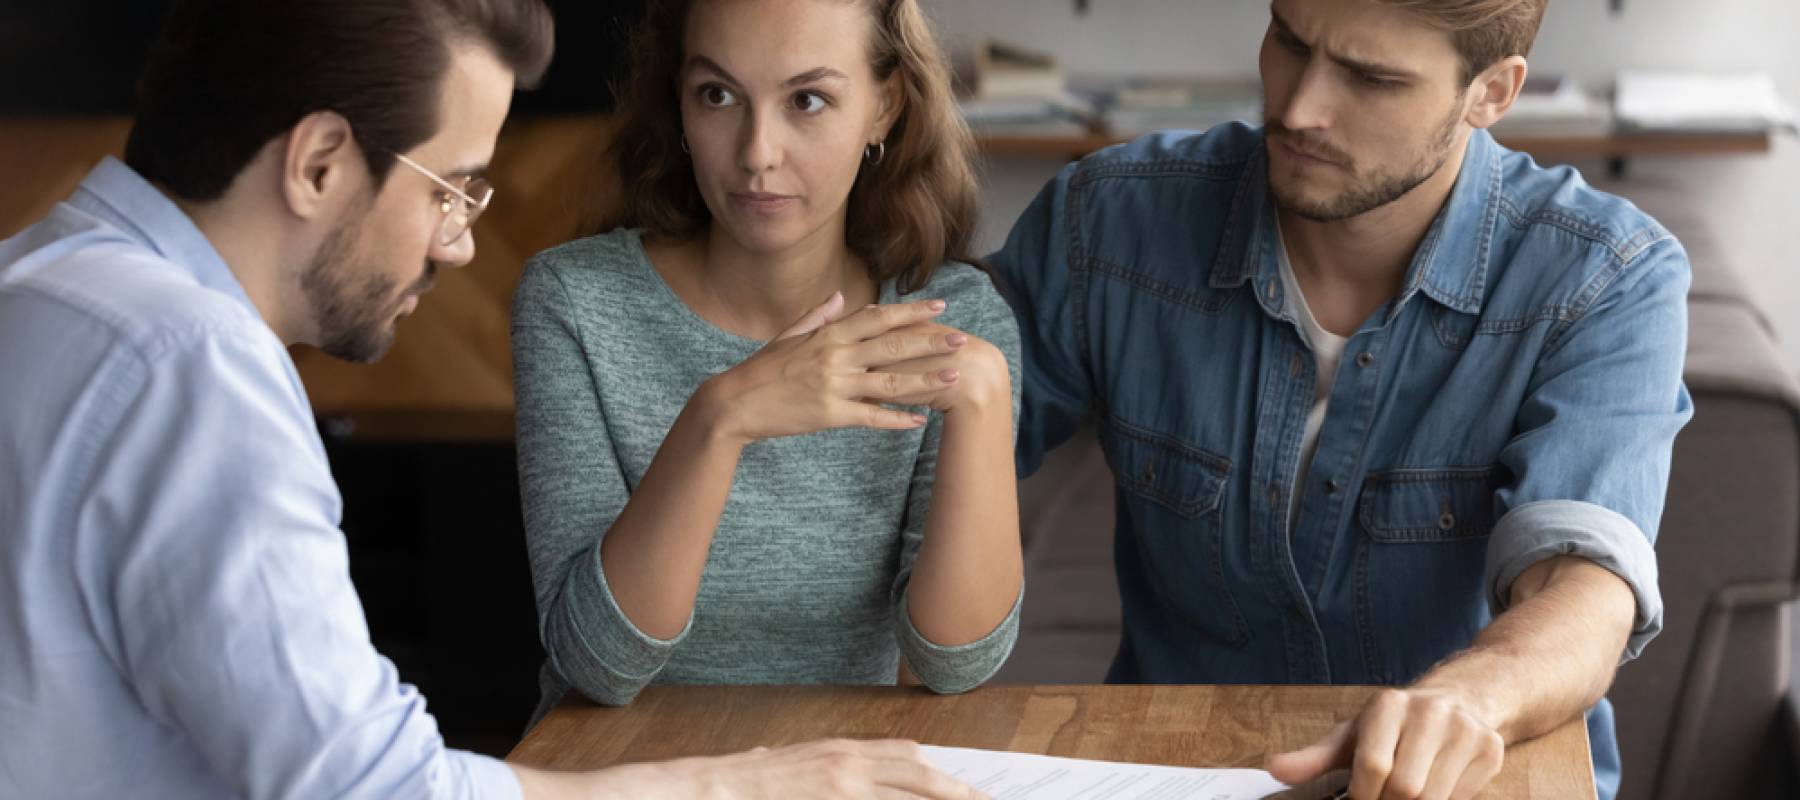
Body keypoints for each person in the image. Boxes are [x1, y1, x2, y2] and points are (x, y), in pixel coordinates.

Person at [0, 1, 978, 797]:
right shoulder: (193, 369)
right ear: (320, 163)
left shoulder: (37, 282)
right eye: (453, 188)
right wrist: (752, 784)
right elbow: (378, 789)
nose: (459, 243)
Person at [989, 1, 1691, 798]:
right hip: (1179, 772)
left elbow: (1585, 587)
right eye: (1290, 41)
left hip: (1471, 781)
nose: (1297, 109)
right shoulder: (1107, 223)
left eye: (1371, 78)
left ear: (1490, 92)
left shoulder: (1604, 277)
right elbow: (905, 468)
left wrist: (1469, 696)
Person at [511, 0, 1023, 719]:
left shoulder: (954, 325)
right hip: (624, 776)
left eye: (807, 100)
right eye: (717, 96)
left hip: (844, 776)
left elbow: (954, 664)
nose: (756, 152)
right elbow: (598, 665)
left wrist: (984, 398)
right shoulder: (574, 301)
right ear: (679, 104)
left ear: (884, 107)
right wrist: (720, 420)